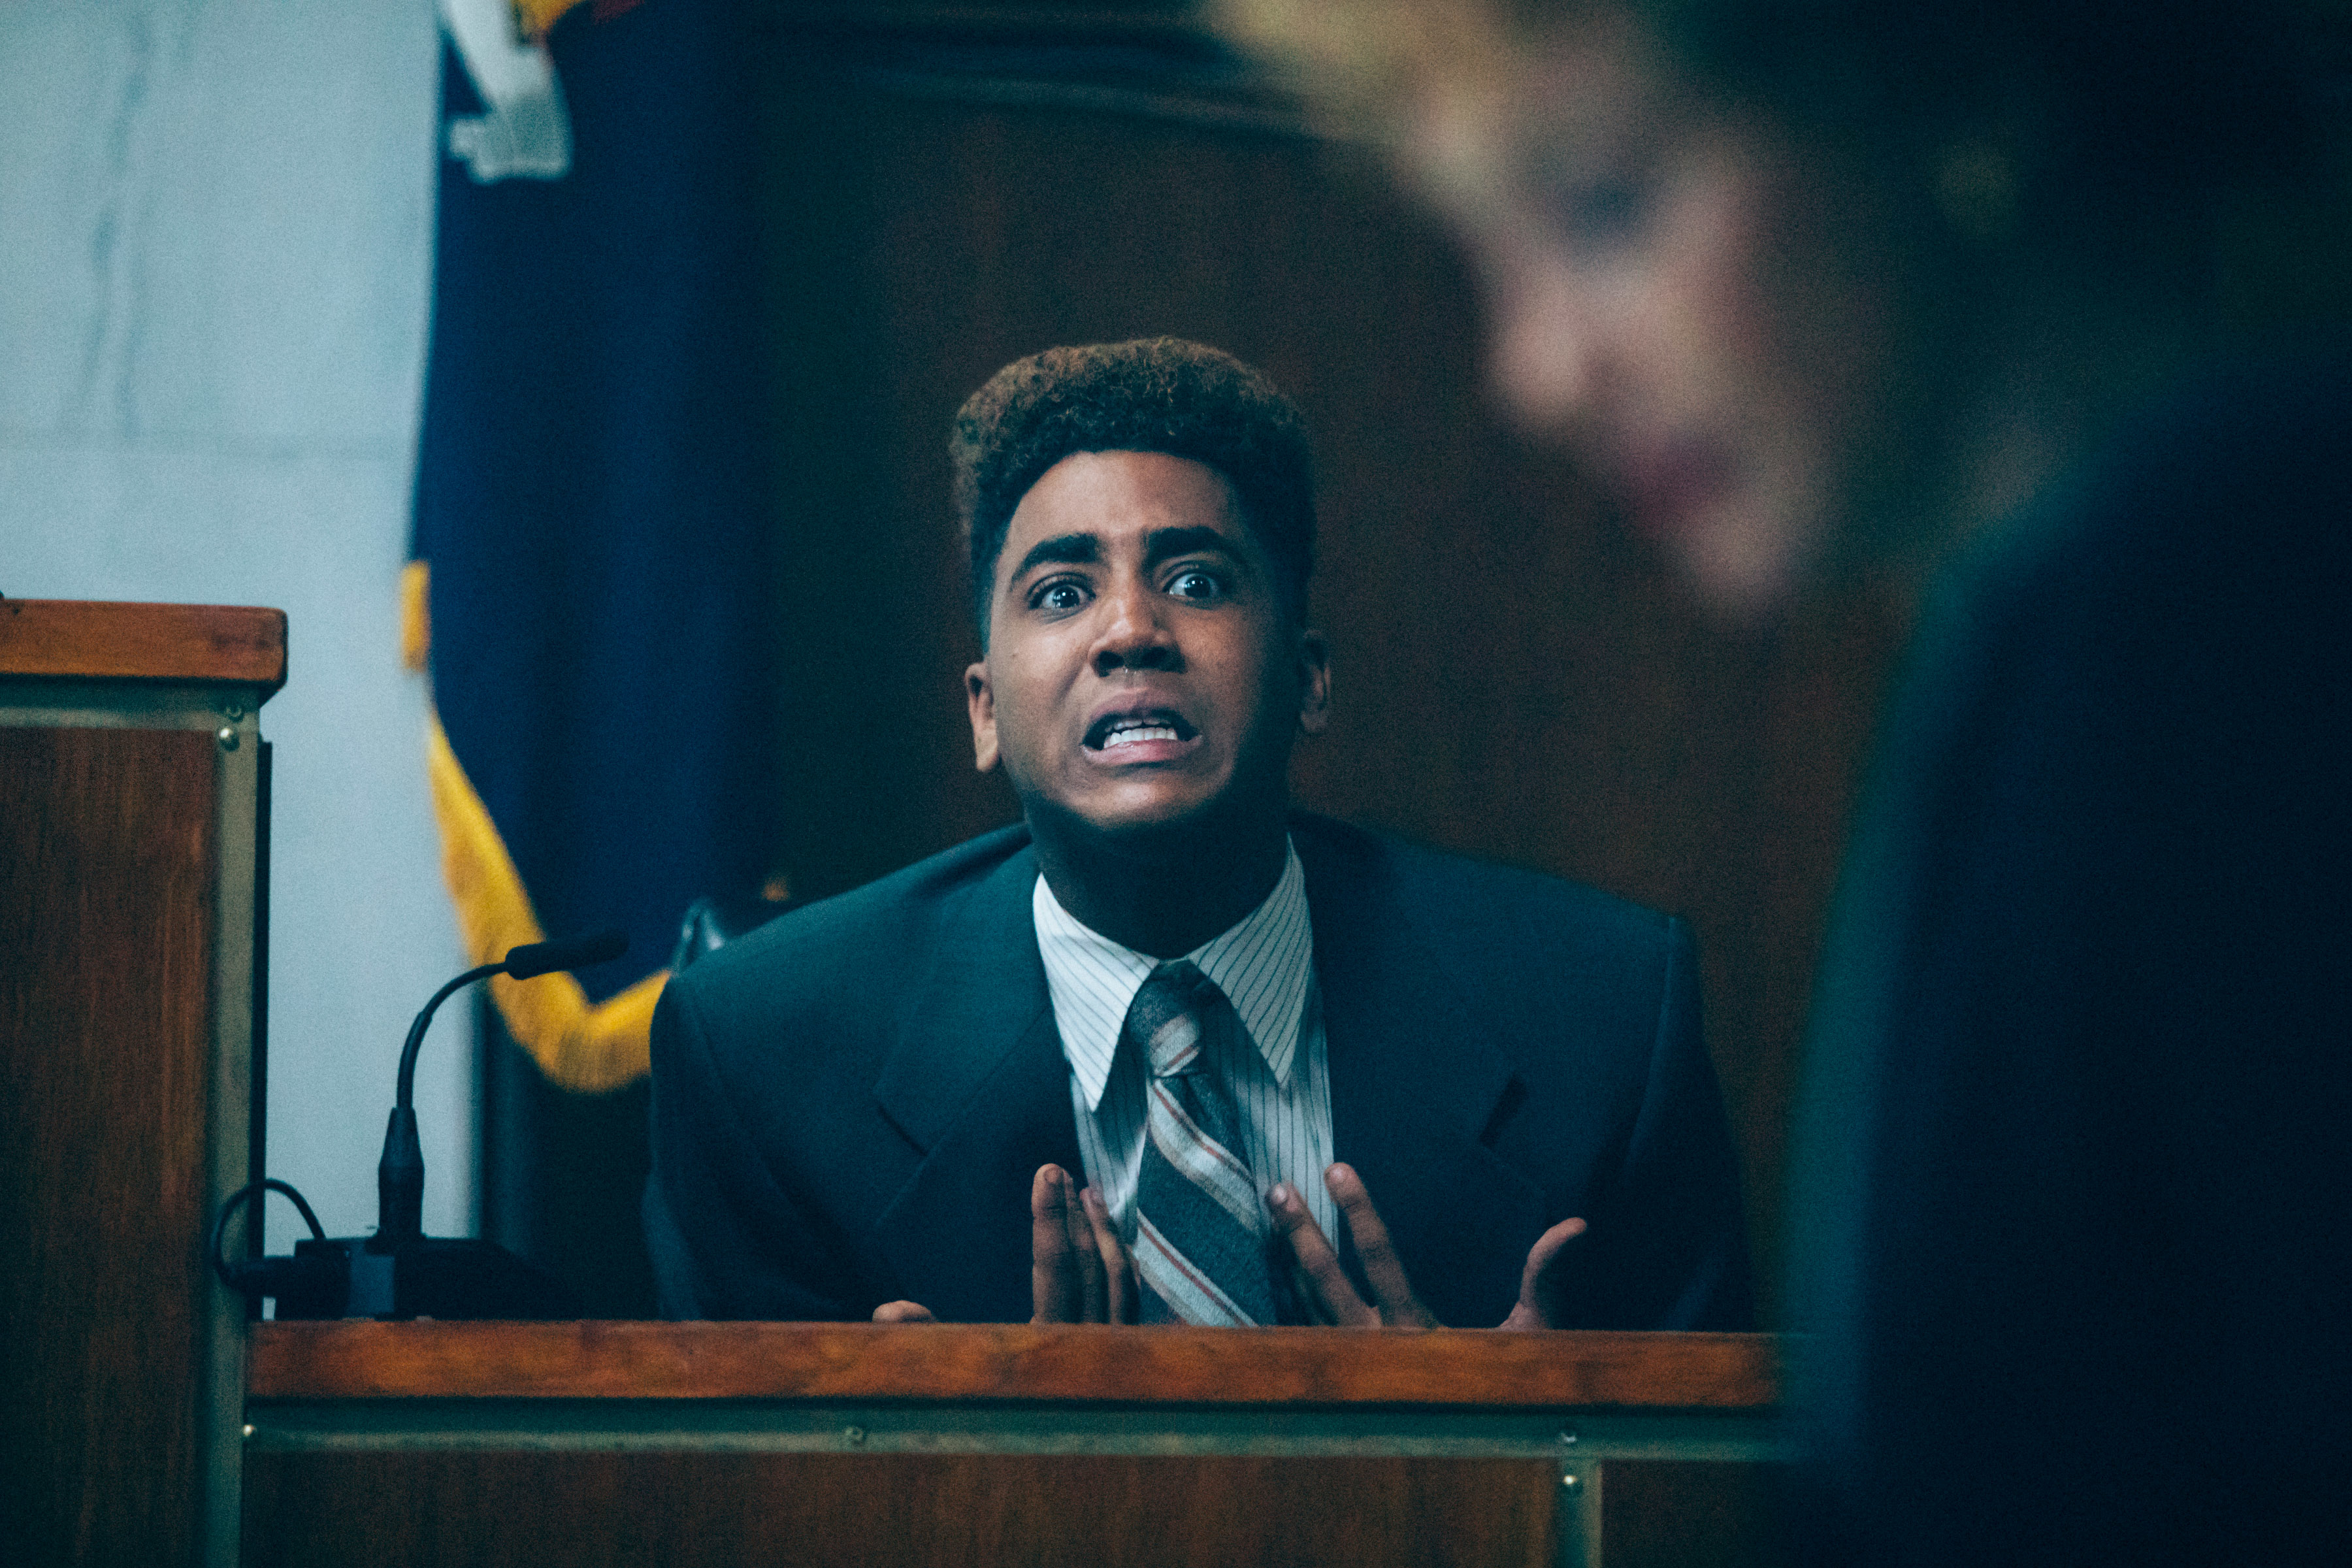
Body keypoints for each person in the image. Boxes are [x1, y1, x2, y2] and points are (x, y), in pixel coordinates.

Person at [1222, 0, 2351, 1561]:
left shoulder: (2216, 611)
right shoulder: (2049, 626)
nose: (1540, 368)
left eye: (1607, 202)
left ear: (1940, 82)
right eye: (1492, 245)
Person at [644, 336, 1753, 1331]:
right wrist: (969, 1491)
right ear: (984, 709)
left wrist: (1496, 1474)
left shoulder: (1604, 1022)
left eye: (1194, 580)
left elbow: (1725, 1509)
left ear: (1307, 680)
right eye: (1063, 591)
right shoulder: (761, 1060)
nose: (1131, 630)